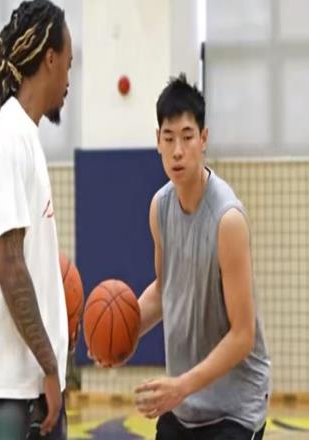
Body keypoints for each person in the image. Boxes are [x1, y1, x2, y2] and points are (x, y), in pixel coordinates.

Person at [0, 1, 73, 438]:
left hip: (25, 388)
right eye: (68, 64)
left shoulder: (26, 136)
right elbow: (10, 267)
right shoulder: (8, 136)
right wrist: (49, 364)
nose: (69, 80)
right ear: (50, 59)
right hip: (4, 392)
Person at [134, 74, 271, 439]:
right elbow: (163, 289)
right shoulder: (160, 208)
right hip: (185, 406)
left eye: (187, 137)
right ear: (158, 142)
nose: (177, 150)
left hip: (235, 409)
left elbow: (243, 335)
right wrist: (124, 333)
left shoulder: (227, 220)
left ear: (204, 139)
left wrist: (180, 386)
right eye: (169, 138)